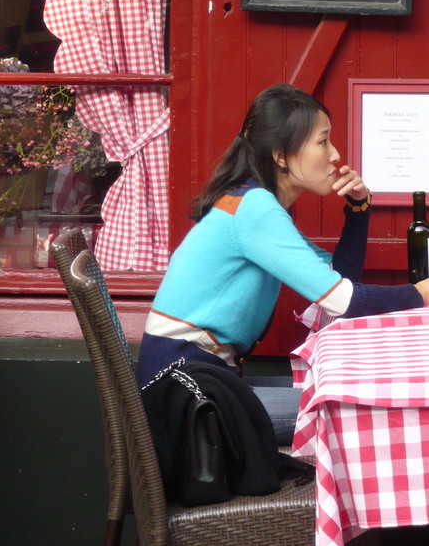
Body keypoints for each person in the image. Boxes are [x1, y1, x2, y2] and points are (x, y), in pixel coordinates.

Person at [137, 84, 429, 444]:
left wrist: (358, 209)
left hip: (198, 380)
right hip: (190, 393)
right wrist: (420, 294)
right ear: (280, 155)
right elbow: (343, 300)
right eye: (323, 142)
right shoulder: (255, 208)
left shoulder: (251, 202)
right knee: (348, 415)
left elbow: (337, 280)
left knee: (345, 407)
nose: (335, 154)